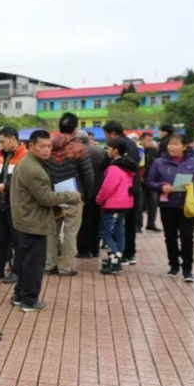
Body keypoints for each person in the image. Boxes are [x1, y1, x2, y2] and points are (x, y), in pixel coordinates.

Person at [10, 130, 81, 312]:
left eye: (49, 146)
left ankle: (20, 295)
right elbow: (46, 198)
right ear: (32, 146)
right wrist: (71, 197)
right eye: (42, 146)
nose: (47, 150)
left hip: (26, 218)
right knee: (34, 264)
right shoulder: (33, 168)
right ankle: (29, 300)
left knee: (25, 261)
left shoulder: (29, 162)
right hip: (33, 222)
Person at [147, 133, 194, 282]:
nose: (172, 147)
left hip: (187, 205)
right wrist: (161, 187)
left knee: (187, 236)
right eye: (170, 144)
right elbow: (150, 182)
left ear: (184, 146)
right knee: (170, 237)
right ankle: (174, 265)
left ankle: (187, 269)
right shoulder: (159, 162)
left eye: (176, 144)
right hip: (168, 205)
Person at [45, 113, 94, 276]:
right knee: (70, 233)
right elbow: (88, 176)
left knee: (52, 232)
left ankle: (49, 264)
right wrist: (85, 195)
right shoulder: (79, 148)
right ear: (75, 129)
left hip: (53, 196)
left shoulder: (48, 147)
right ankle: (65, 267)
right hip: (74, 196)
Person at [0, 126, 27, 283]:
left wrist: (6, 187)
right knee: (1, 238)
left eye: (2, 141)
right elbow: (2, 178)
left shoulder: (25, 157)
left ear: (12, 139)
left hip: (16, 204)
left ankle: (16, 270)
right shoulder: (4, 156)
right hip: (3, 203)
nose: (0, 145)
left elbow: (23, 182)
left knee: (17, 239)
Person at [103, 121, 140, 265]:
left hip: (122, 192)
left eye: (106, 134)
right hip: (133, 189)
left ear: (113, 134)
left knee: (118, 227)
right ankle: (128, 254)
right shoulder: (133, 144)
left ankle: (120, 256)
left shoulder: (119, 147)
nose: (106, 138)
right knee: (127, 224)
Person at [96, 138, 135, 274]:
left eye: (109, 148)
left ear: (116, 150)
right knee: (119, 232)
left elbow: (107, 188)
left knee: (105, 233)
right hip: (125, 204)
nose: (107, 151)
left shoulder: (113, 167)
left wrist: (99, 200)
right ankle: (116, 260)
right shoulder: (128, 166)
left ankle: (114, 259)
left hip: (112, 205)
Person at [75, 130, 106, 258]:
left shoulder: (79, 152)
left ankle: (83, 250)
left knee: (83, 223)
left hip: (85, 192)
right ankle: (95, 249)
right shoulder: (100, 150)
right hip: (99, 192)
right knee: (97, 221)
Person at [140, 132, 160, 231]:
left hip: (152, 181)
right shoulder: (139, 150)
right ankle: (138, 225)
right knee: (140, 203)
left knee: (153, 202)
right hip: (141, 181)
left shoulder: (154, 151)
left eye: (151, 140)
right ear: (142, 140)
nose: (151, 142)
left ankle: (151, 224)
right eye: (148, 140)